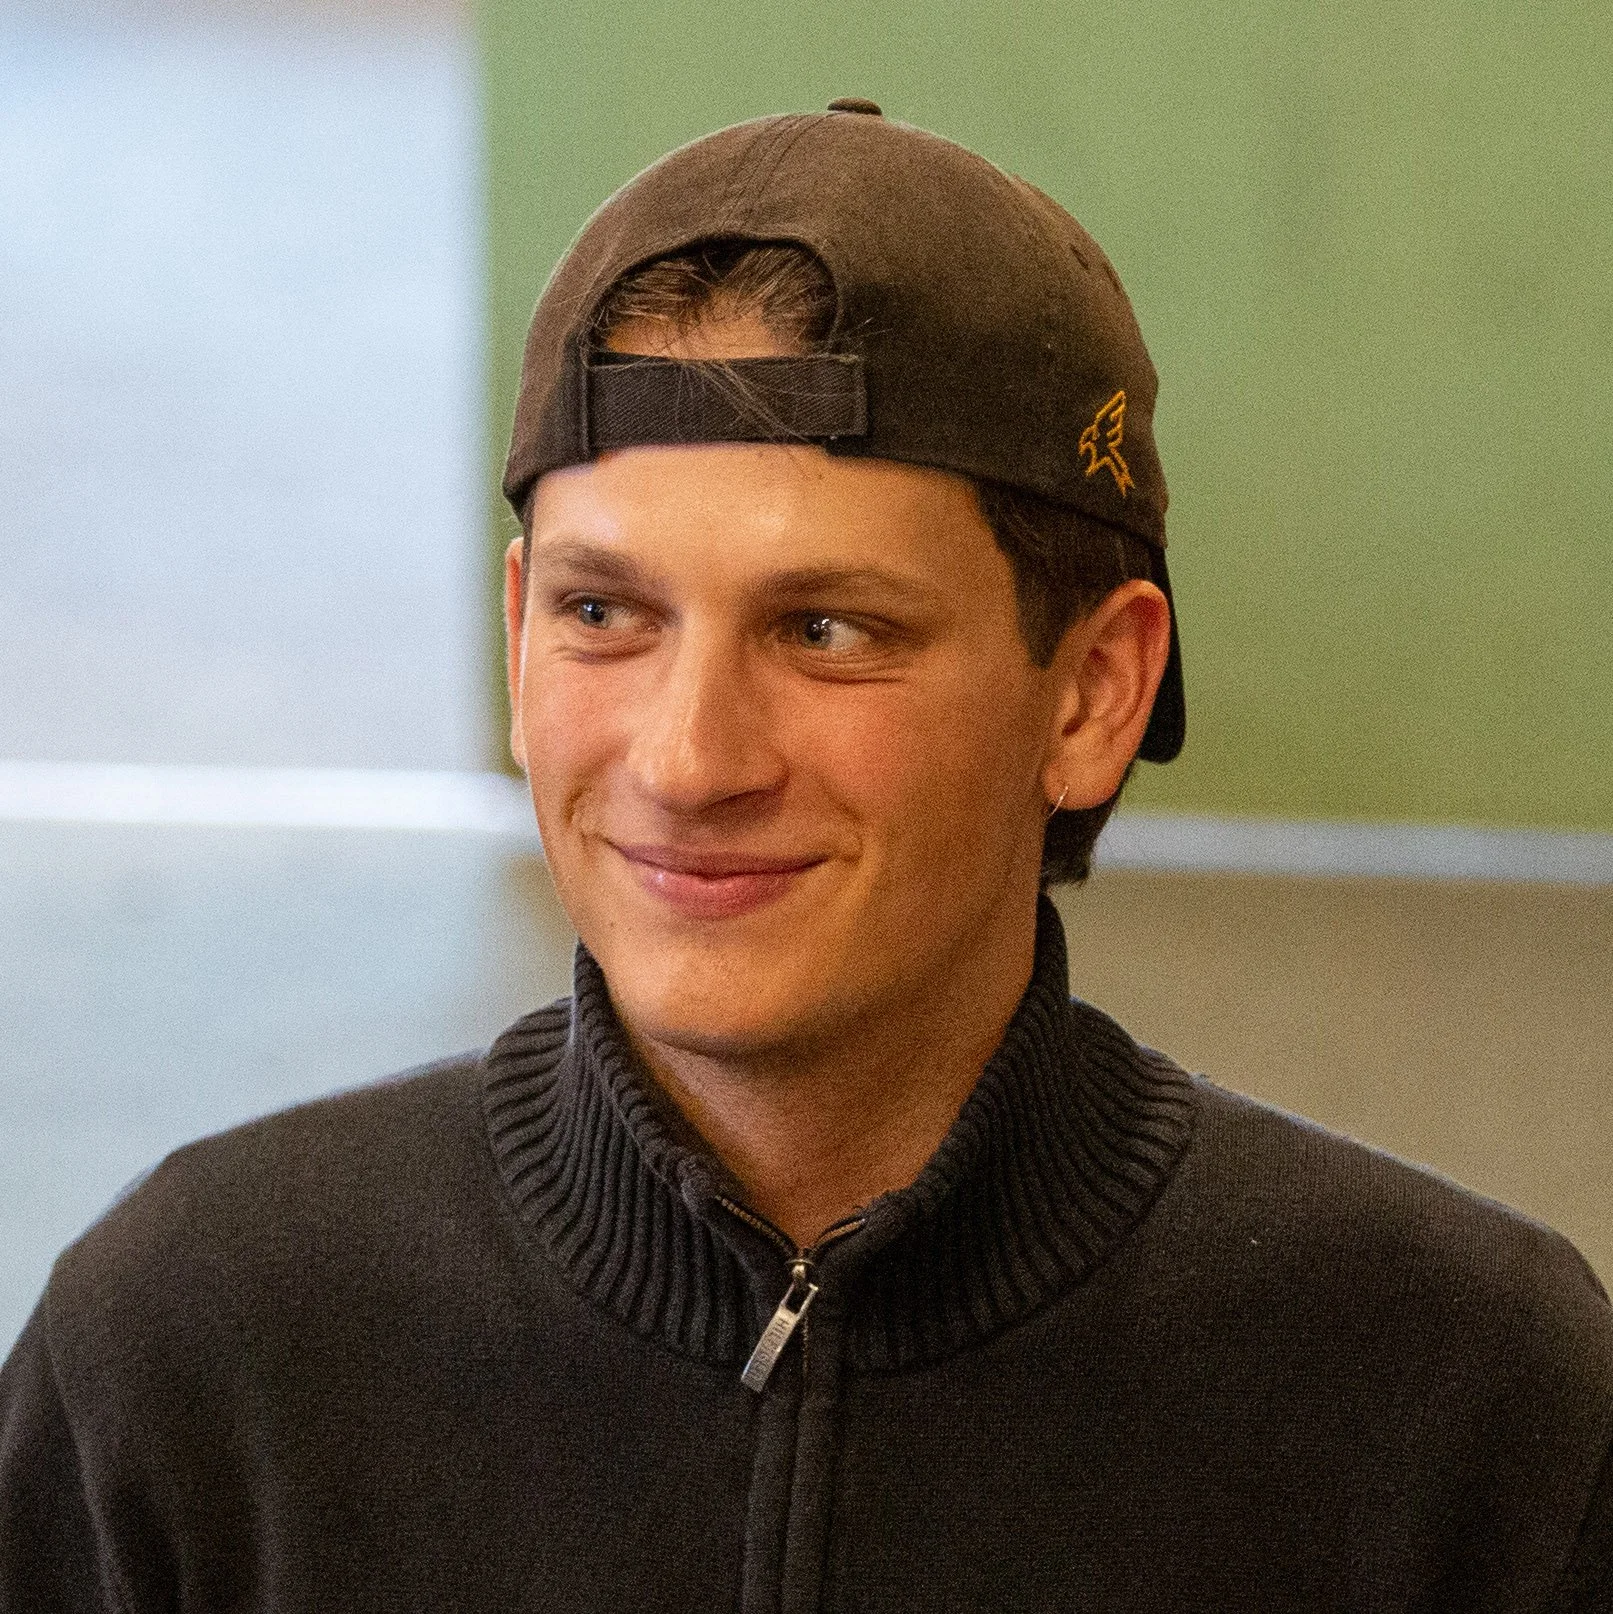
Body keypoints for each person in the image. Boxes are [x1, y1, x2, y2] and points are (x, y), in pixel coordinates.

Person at [2, 101, 1609, 1613]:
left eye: (829, 628)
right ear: (516, 633)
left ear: (1092, 695)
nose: (688, 760)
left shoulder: (1471, 1416)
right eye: (602, 612)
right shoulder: (185, 1358)